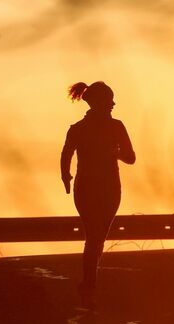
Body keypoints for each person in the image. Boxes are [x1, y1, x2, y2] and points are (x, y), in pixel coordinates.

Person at [60, 81, 135, 308]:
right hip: (95, 189)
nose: (113, 104)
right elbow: (66, 155)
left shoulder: (88, 128)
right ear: (97, 102)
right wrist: (65, 176)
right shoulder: (91, 128)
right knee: (94, 237)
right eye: (109, 100)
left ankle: (88, 284)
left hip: (101, 189)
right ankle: (89, 286)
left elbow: (130, 158)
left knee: (96, 237)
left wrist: (66, 176)